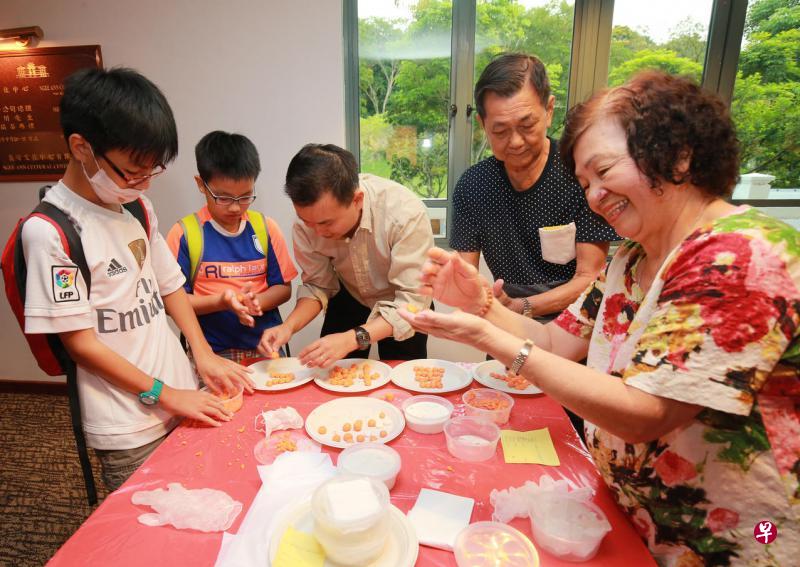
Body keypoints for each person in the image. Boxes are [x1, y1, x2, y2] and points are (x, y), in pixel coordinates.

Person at [401, 71, 800, 564]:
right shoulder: (629, 261)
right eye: (584, 182)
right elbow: (551, 343)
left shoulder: (738, 255)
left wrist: (492, 335)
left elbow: (645, 414)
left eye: (604, 171)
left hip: (739, 538)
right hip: (644, 526)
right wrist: (483, 304)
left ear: (677, 154)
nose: (592, 196)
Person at [20, 68, 253, 491]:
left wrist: (201, 355)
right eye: (133, 170)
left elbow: (169, 286)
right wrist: (166, 394)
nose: (144, 182)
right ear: (81, 147)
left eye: (154, 170)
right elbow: (81, 344)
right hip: (127, 422)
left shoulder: (137, 208)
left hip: (183, 394)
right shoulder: (51, 232)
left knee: (207, 494)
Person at [451, 53, 617, 321]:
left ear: (549, 111)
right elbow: (466, 276)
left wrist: (522, 306)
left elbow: (589, 278)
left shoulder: (579, 174)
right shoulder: (473, 186)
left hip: (576, 320)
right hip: (508, 317)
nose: (515, 142)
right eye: (500, 131)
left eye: (527, 125)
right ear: (482, 125)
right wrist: (467, 293)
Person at [258, 144, 433, 367]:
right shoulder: (306, 225)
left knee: (404, 377)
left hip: (403, 301)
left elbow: (412, 301)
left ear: (357, 200)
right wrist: (288, 327)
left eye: (326, 223)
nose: (318, 232)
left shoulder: (405, 214)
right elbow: (318, 285)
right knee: (332, 376)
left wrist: (353, 338)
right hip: (349, 295)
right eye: (307, 222)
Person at [167, 131, 297, 364]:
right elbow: (173, 303)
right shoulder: (185, 234)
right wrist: (223, 301)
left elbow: (283, 288)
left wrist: (255, 302)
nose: (236, 208)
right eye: (224, 198)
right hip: (211, 354)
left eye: (246, 196)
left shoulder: (265, 228)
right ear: (201, 184)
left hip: (266, 348)